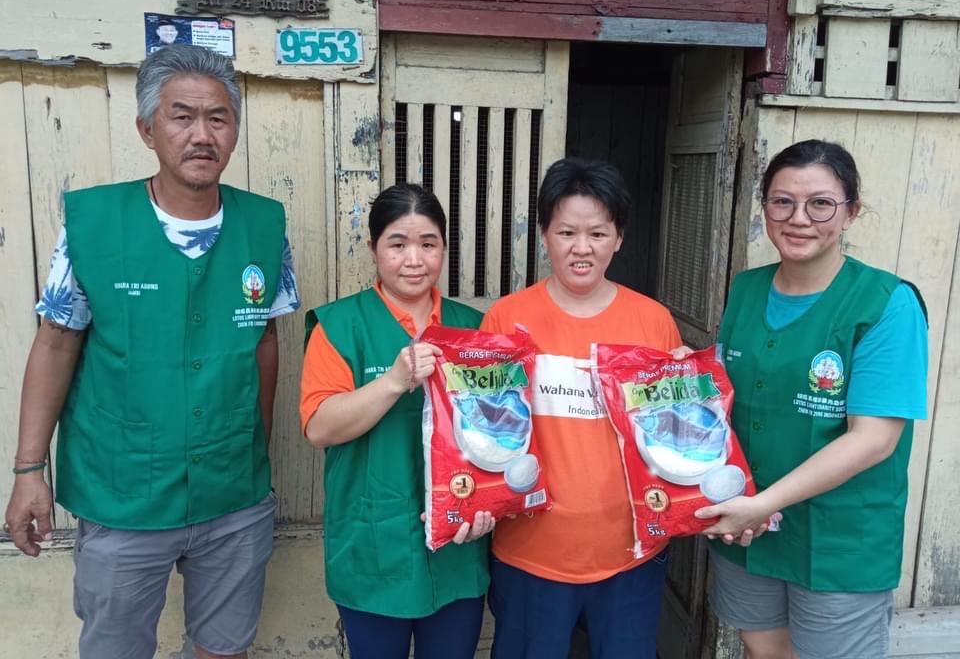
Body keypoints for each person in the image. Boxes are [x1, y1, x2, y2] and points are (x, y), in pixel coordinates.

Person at [2, 43, 300, 659]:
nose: (201, 135)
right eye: (181, 116)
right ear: (147, 129)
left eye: (217, 118)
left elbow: (265, 341)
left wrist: (254, 448)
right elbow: (56, 342)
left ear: (234, 132)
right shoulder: (95, 223)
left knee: (224, 648)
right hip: (121, 494)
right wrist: (30, 471)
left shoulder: (265, 226)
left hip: (233, 496)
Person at [694, 140, 928, 659]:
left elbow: (873, 441)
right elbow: (726, 394)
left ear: (851, 212)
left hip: (837, 538)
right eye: (783, 202)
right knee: (765, 651)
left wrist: (762, 505)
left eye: (820, 203)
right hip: (749, 529)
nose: (799, 218)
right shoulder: (746, 289)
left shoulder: (886, 303)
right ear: (765, 208)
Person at [481, 157, 683, 659]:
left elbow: (673, 436)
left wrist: (692, 388)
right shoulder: (507, 318)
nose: (581, 247)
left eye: (597, 233)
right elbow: (485, 427)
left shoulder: (653, 322)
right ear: (544, 235)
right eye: (567, 232)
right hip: (530, 553)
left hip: (631, 553)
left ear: (619, 238)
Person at [300, 183, 495, 659]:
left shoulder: (474, 329)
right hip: (372, 546)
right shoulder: (340, 326)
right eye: (397, 244)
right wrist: (393, 381)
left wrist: (492, 502)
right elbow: (319, 427)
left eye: (428, 244)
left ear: (444, 248)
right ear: (373, 248)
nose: (414, 260)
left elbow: (499, 431)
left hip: (458, 545)